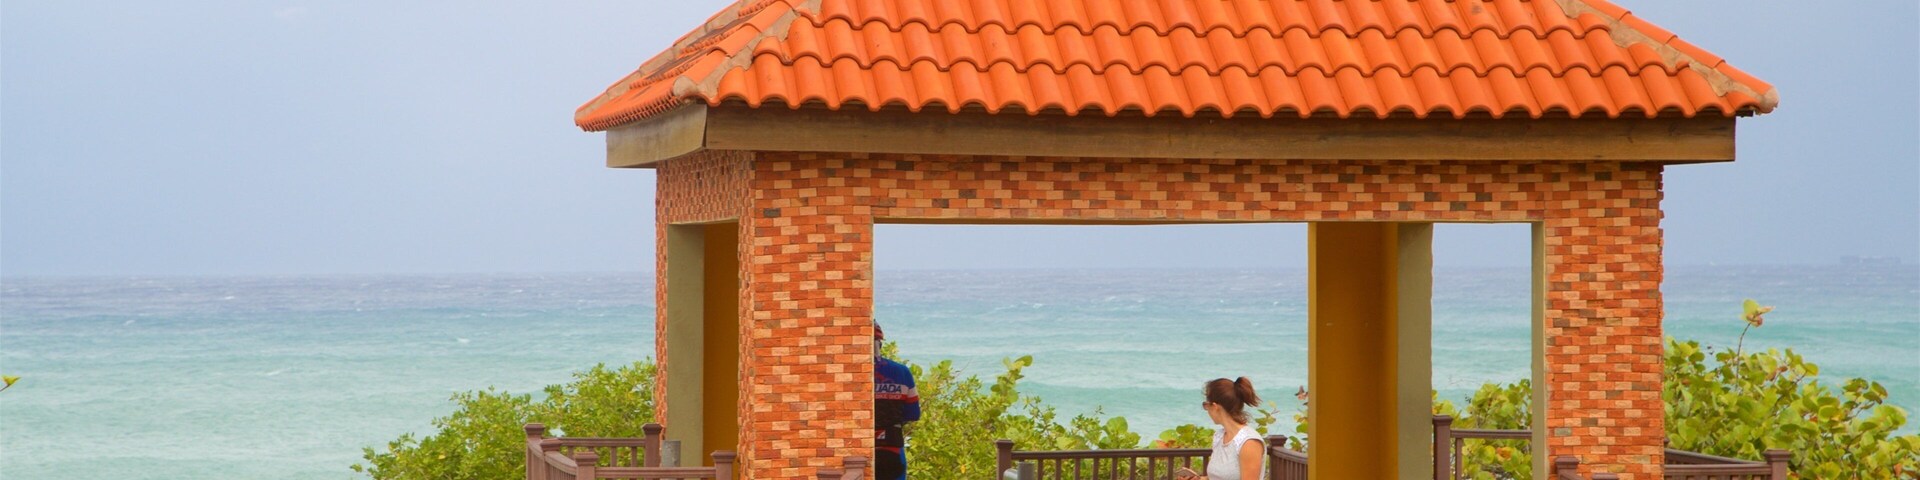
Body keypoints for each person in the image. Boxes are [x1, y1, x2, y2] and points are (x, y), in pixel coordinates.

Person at [1176, 377, 1265, 480]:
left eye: (1206, 405)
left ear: (1215, 406)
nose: (1207, 410)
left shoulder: (1249, 442)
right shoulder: (1219, 437)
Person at [873, 323, 920, 480]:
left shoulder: (849, 373)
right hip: (892, 446)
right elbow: (913, 413)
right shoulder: (901, 371)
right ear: (880, 342)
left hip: (859, 451)